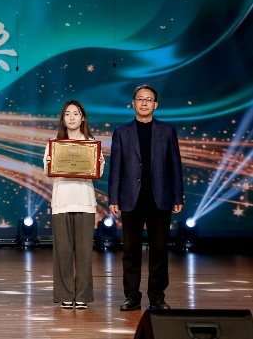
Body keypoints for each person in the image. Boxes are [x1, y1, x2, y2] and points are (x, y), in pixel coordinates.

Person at [108, 84, 184, 311]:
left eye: (149, 99)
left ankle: (157, 297)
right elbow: (115, 168)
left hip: (160, 198)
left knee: (159, 250)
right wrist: (113, 198)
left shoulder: (167, 131)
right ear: (133, 103)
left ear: (155, 105)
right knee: (131, 251)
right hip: (130, 198)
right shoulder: (122, 132)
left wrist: (177, 195)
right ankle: (132, 296)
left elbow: (175, 165)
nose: (144, 103)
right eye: (140, 99)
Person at [44, 100, 105, 310]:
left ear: (83, 118)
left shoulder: (92, 144)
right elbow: (48, 173)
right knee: (63, 251)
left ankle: (82, 295)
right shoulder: (54, 144)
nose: (71, 117)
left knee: (85, 252)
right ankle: (65, 294)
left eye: (76, 113)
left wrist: (97, 163)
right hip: (61, 202)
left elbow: (99, 171)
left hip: (85, 203)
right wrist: (50, 163)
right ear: (63, 118)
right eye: (67, 114)